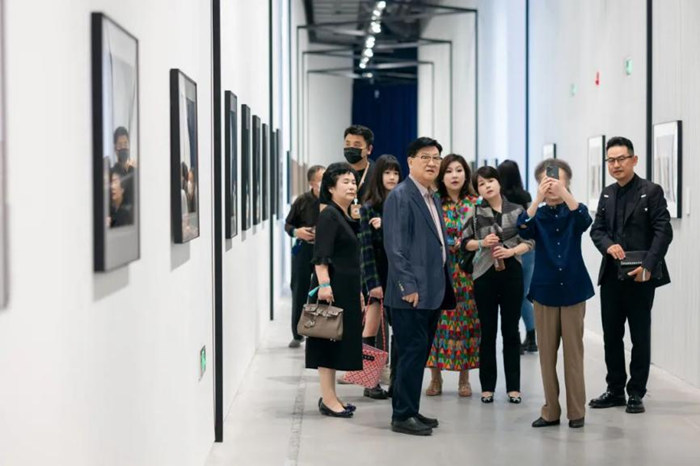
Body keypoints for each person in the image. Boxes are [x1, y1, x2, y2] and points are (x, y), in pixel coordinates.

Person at [589, 136, 673, 414]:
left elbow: (663, 231)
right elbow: (597, 230)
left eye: (621, 159)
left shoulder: (651, 191)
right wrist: (607, 245)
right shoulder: (607, 194)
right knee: (611, 336)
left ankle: (636, 392)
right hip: (612, 277)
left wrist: (648, 265)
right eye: (610, 160)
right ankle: (615, 390)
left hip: (640, 276)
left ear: (634, 160)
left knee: (640, 336)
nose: (615, 165)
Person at [383, 137, 456, 436]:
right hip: (410, 294)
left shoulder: (431, 196)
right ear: (410, 161)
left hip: (432, 291)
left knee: (416, 355)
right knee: (411, 354)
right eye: (425, 157)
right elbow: (395, 247)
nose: (432, 163)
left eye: (436, 157)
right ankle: (402, 415)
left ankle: (409, 409)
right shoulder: (401, 196)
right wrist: (408, 286)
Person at [517, 159, 594, 429]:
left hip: (573, 290)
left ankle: (577, 412)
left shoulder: (574, 211)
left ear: (567, 182)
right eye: (545, 181)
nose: (551, 185)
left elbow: (585, 220)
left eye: (557, 180)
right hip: (544, 291)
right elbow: (522, 227)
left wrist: (565, 194)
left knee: (574, 354)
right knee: (547, 356)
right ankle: (550, 411)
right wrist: (537, 199)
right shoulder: (536, 215)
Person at [460, 166, 534, 404]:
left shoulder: (517, 210)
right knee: (488, 332)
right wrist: (482, 242)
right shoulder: (474, 212)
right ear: (478, 189)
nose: (487, 186)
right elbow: (464, 243)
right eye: (481, 184)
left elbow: (529, 241)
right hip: (484, 275)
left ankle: (513, 388)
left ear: (499, 182)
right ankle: (487, 387)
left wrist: (511, 251)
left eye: (490, 180)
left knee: (511, 331)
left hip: (512, 273)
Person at [307, 163, 363, 418]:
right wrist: (325, 286)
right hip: (332, 288)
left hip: (344, 287)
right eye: (345, 182)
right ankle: (328, 399)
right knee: (327, 343)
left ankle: (331, 396)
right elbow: (321, 255)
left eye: (354, 182)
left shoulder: (342, 213)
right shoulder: (329, 214)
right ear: (330, 187)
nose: (352, 186)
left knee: (335, 342)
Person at [425, 154, 481, 397]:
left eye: (459, 170)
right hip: (439, 272)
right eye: (449, 171)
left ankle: (464, 379)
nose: (454, 175)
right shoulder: (433, 201)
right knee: (437, 324)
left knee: (467, 324)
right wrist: (454, 244)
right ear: (441, 176)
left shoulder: (476, 203)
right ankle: (435, 378)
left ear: (466, 174)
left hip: (469, 273)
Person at [358, 154, 402, 400]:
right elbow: (365, 249)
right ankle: (370, 382)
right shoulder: (368, 208)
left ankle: (396, 381)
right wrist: (372, 283)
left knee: (400, 330)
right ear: (379, 176)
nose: (392, 177)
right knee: (372, 328)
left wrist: (386, 225)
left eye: (395, 173)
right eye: (387, 172)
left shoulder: (403, 205)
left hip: (400, 277)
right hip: (378, 275)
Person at [498, 160, 537, 353]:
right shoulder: (525, 196)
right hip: (527, 249)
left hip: (507, 250)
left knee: (511, 297)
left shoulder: (500, 198)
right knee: (523, 295)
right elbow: (531, 219)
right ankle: (531, 337)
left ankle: (518, 337)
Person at [285, 165, 325, 348]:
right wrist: (297, 232)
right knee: (299, 290)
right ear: (312, 182)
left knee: (320, 292)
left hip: (323, 252)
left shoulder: (332, 201)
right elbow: (288, 225)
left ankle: (319, 332)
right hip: (303, 250)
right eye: (321, 179)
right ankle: (297, 334)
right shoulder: (302, 201)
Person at [343, 125, 375, 208]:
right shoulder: (336, 173)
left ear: (369, 149)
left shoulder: (377, 173)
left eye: (356, 145)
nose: (351, 148)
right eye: (347, 144)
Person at [111, 126, 135, 209]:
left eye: (125, 144)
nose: (123, 147)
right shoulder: (112, 174)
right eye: (120, 145)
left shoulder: (134, 171)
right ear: (115, 148)